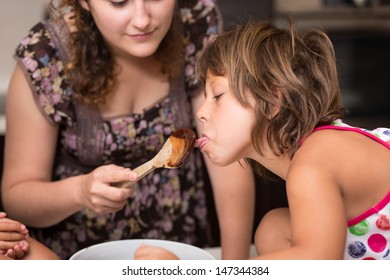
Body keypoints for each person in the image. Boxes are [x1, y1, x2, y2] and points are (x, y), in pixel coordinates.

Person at [1, 0, 255, 260]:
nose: (142, 19)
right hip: (75, 259)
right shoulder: (44, 57)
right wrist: (79, 192)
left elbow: (228, 160)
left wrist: (232, 268)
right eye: (119, 2)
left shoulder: (196, 22)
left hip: (178, 252)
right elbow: (18, 196)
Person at [135, 18, 390, 260]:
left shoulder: (314, 161)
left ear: (271, 102)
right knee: (273, 230)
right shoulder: (312, 154)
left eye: (218, 96)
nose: (201, 113)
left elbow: (319, 260)